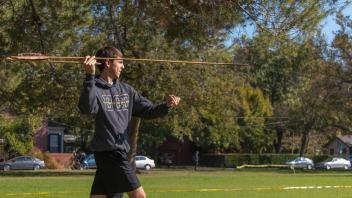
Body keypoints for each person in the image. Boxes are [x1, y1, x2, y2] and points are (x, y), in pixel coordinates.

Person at [78, 46, 180, 198]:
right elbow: (87, 109)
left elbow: (149, 110)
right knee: (139, 196)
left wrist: (166, 106)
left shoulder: (127, 90)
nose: (123, 66)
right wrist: (89, 77)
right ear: (107, 63)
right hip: (111, 153)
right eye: (120, 62)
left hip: (117, 153)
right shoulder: (94, 87)